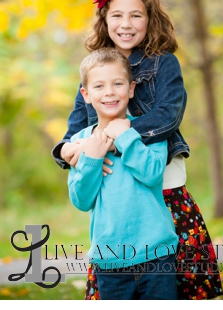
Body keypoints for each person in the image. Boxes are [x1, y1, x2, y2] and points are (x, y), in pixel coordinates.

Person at [52, 0, 223, 300]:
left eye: (136, 15)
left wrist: (115, 138)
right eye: (117, 15)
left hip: (162, 187)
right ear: (104, 19)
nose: (126, 24)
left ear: (150, 19)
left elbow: (167, 116)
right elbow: (76, 123)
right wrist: (70, 148)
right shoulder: (95, 70)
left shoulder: (162, 63)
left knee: (174, 284)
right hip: (115, 203)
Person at [67, 48, 178, 300]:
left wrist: (127, 136)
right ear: (85, 94)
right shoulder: (79, 141)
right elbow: (81, 201)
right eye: (99, 86)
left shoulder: (149, 132)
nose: (109, 92)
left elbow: (151, 174)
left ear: (130, 89)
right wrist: (93, 159)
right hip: (110, 261)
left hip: (156, 255)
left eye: (118, 84)